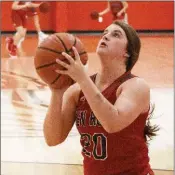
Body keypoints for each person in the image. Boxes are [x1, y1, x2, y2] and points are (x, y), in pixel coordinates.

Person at [43, 21, 159, 175]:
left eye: (115, 34)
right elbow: (53, 139)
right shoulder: (77, 91)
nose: (106, 36)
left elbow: (112, 122)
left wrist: (82, 79)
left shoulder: (136, 86)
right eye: (105, 33)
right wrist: (56, 92)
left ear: (128, 52)